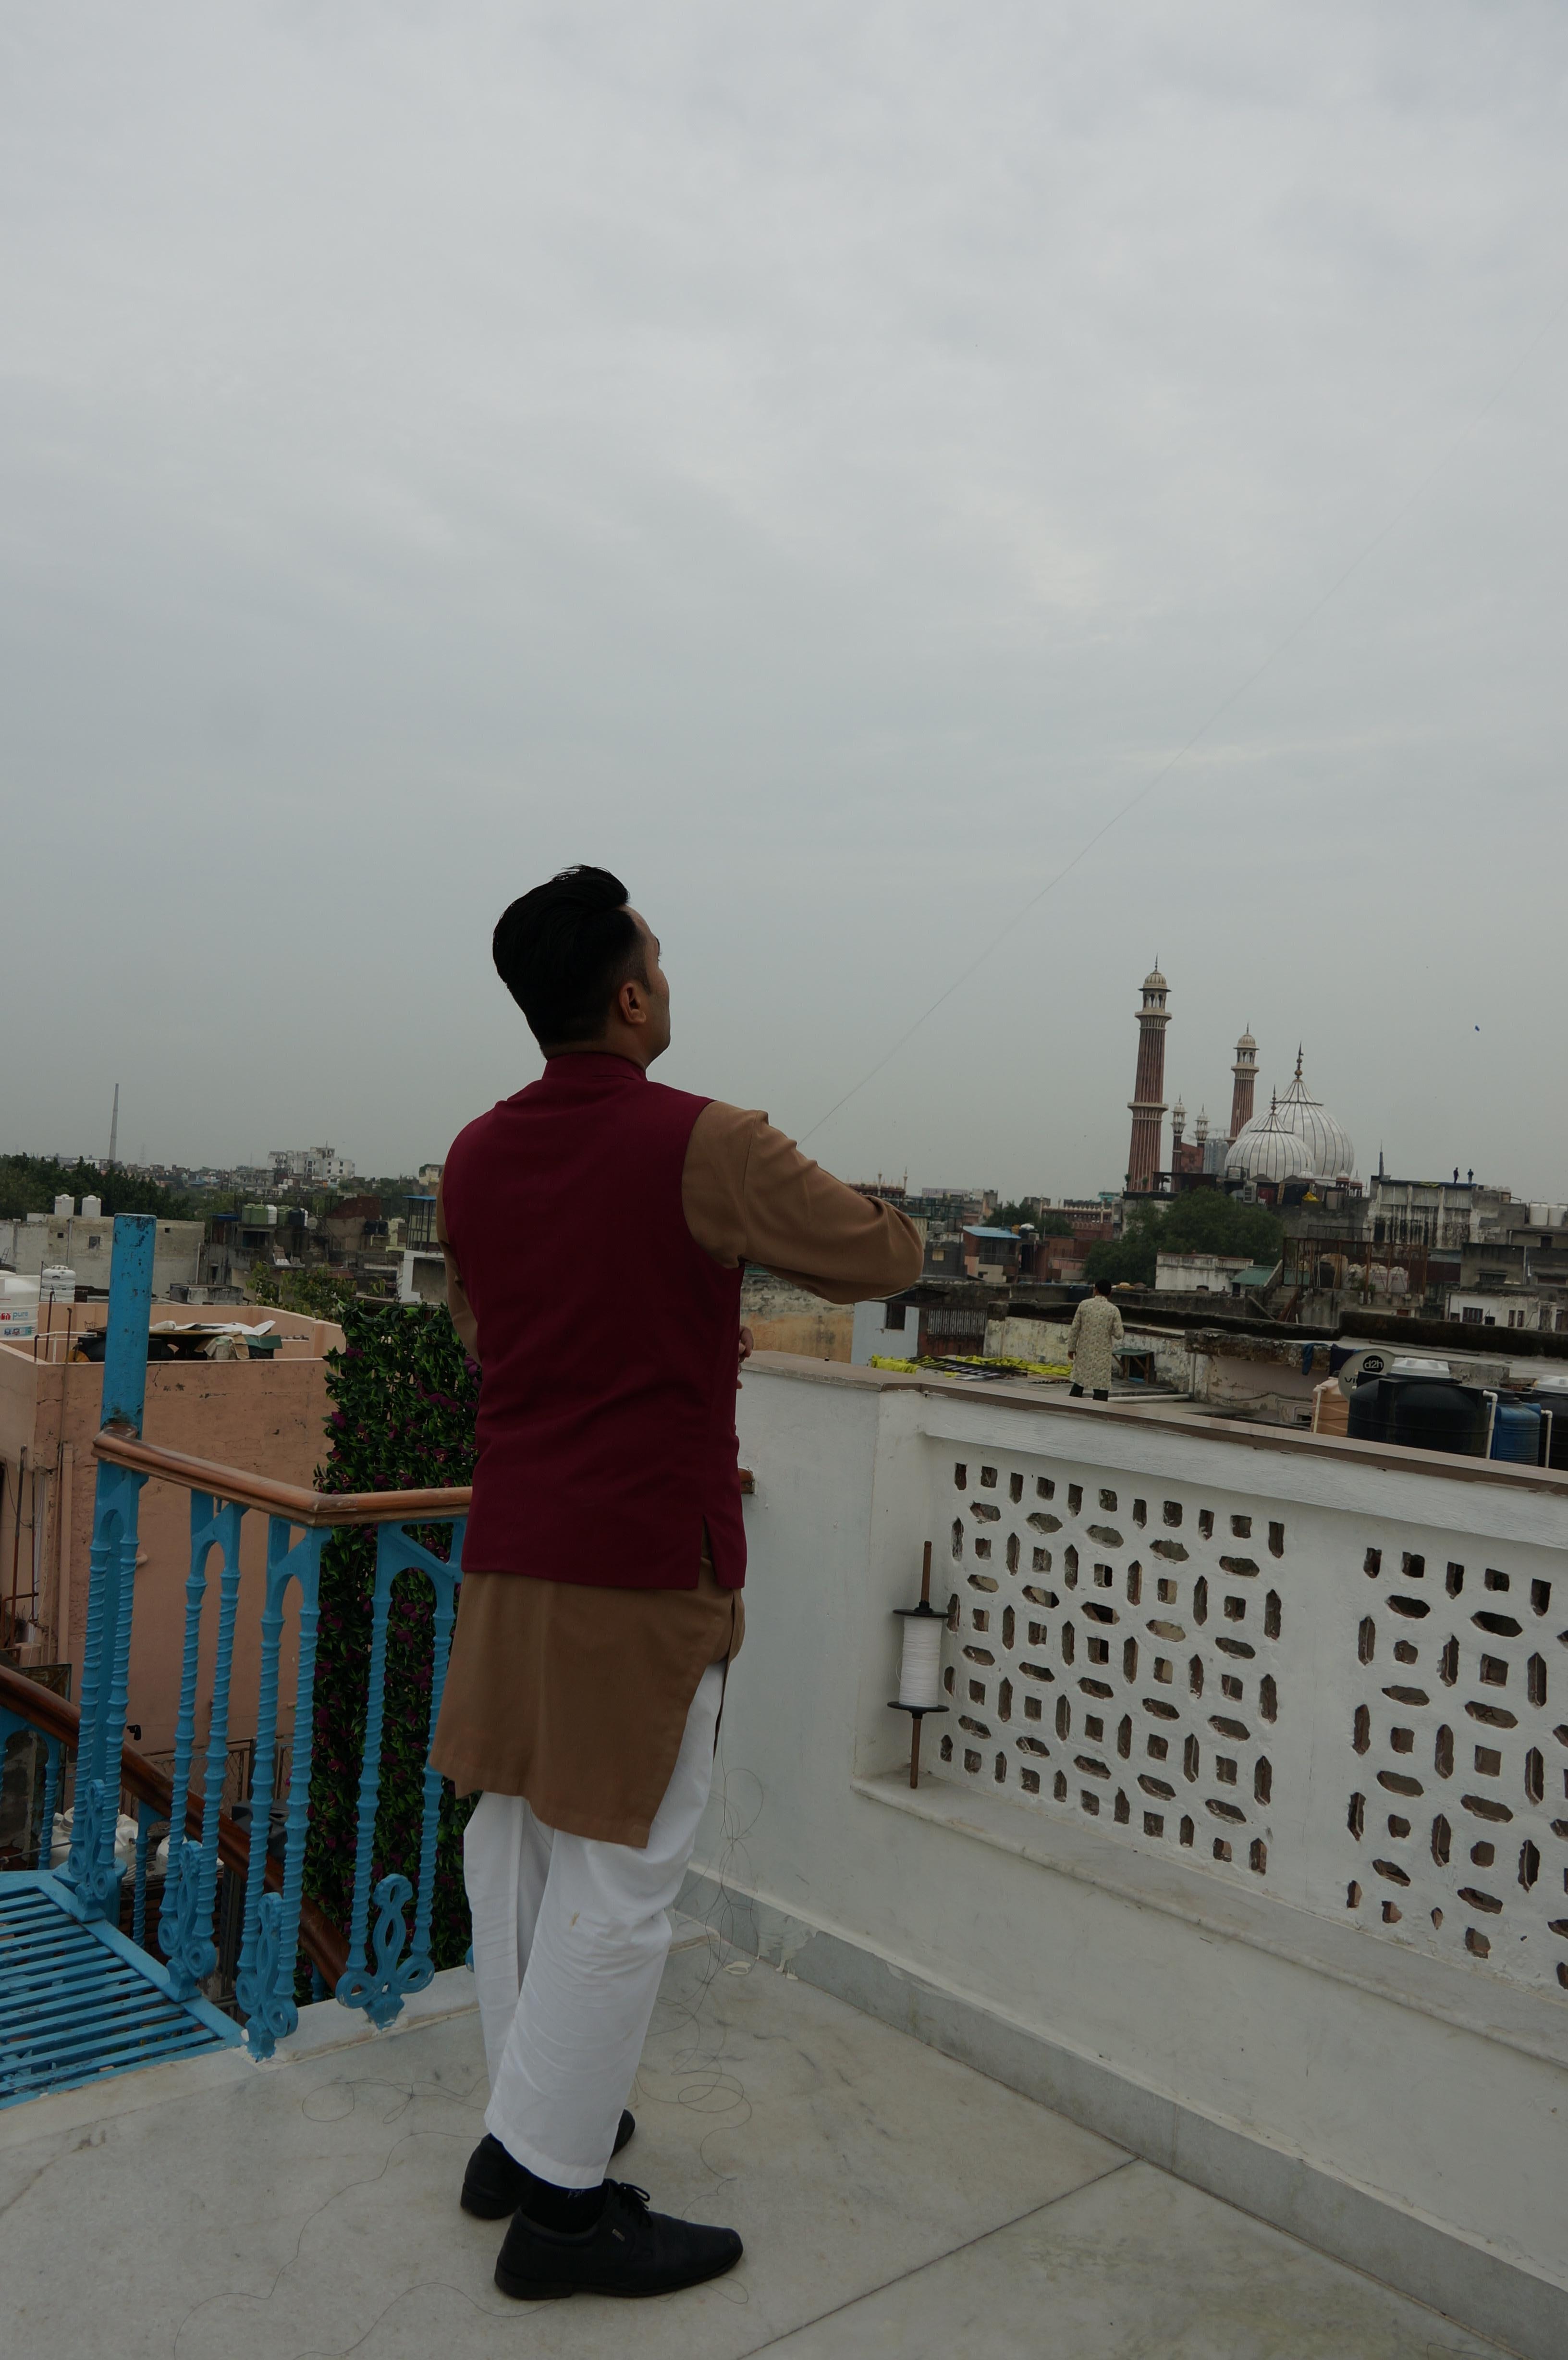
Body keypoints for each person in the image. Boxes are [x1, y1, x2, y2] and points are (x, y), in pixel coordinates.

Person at [429, 865, 923, 2303]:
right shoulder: (706, 1140)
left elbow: (490, 1334)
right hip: (642, 1559)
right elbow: (877, 1255)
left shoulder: (472, 1152)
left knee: (512, 1836)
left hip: (513, 1545)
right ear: (631, 992)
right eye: (658, 954)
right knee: (623, 1873)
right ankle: (564, 2213)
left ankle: (516, 2137)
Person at [1067, 1279, 1123, 1400]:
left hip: (1084, 1352)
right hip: (1102, 1356)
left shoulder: (1084, 1305)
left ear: (1096, 1290)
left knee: (1079, 1383)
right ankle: (1099, 1414)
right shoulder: (1113, 1310)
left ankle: (1070, 1408)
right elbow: (1119, 1334)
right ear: (1110, 1293)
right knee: (1101, 1387)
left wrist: (1071, 1349)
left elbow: (1075, 1329)